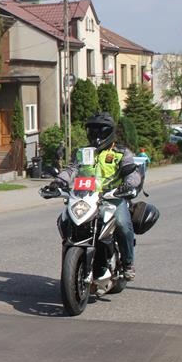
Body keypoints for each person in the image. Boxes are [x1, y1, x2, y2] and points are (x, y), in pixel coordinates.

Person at [48, 112, 141, 280]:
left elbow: (131, 172)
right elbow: (72, 169)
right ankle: (73, 261)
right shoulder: (83, 152)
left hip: (112, 197)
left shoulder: (121, 152)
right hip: (86, 197)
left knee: (123, 225)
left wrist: (129, 184)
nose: (96, 134)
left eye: (101, 130)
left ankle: (128, 262)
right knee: (66, 220)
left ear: (110, 132)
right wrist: (58, 182)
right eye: (92, 130)